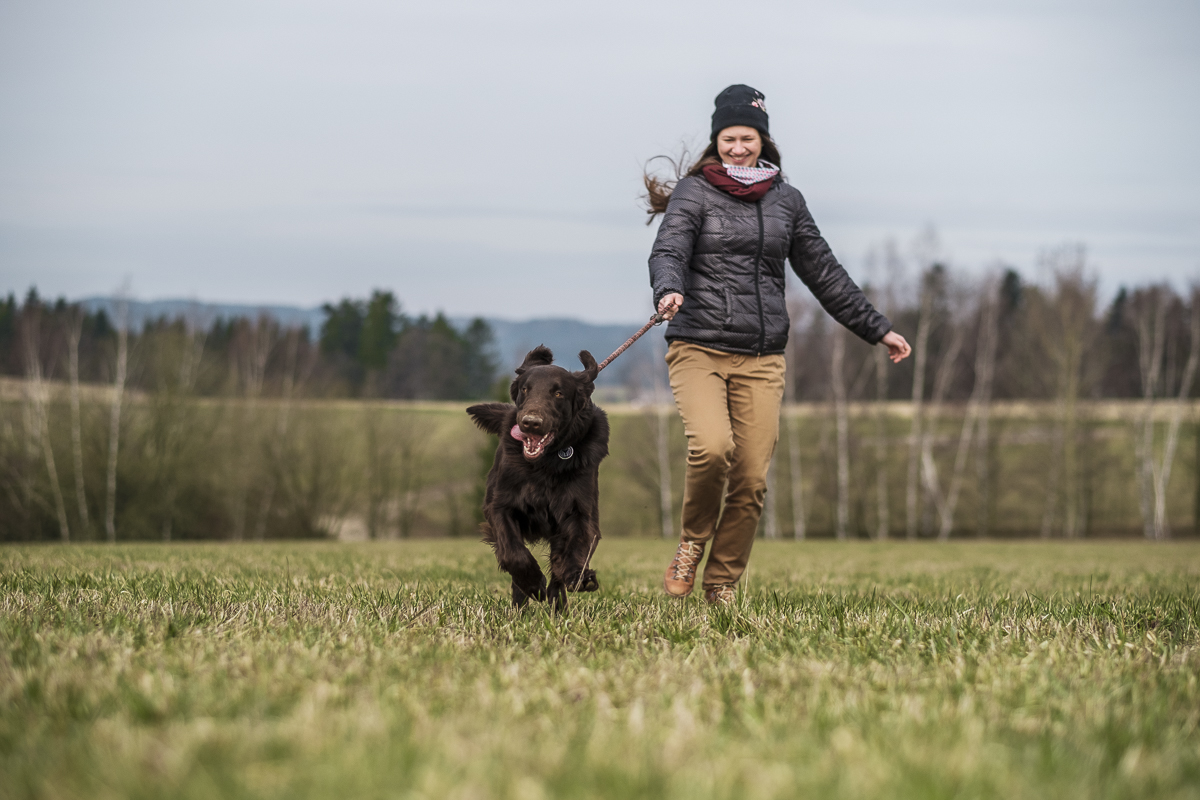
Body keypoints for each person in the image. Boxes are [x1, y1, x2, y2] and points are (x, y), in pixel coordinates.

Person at [646, 84, 912, 605]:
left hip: (763, 356)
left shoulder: (787, 201)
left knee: (750, 478)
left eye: (747, 138)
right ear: (716, 140)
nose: (738, 148)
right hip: (698, 346)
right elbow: (669, 248)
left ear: (763, 140)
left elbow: (825, 273)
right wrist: (669, 286)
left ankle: (722, 582)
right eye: (729, 138)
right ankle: (691, 544)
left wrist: (876, 327)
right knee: (712, 448)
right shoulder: (694, 193)